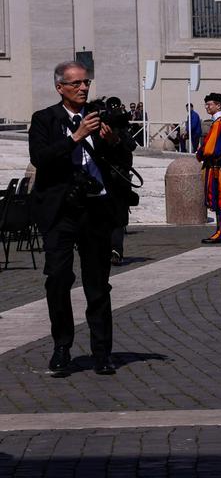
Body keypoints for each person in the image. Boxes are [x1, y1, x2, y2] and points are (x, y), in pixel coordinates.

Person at [28, 60, 136, 377]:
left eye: (86, 82)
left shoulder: (100, 117)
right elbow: (41, 158)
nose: (83, 88)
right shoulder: (45, 120)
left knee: (98, 285)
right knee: (58, 279)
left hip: (96, 210)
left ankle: (103, 352)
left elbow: (125, 157)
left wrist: (113, 141)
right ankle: (62, 346)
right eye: (75, 84)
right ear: (60, 87)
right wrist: (76, 136)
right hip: (61, 212)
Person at [196, 93, 221, 244]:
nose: (207, 107)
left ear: (218, 105)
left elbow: (211, 149)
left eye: (210, 104)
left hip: (218, 165)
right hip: (218, 164)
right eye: (206, 104)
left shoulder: (220, 123)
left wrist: (200, 154)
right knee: (220, 197)